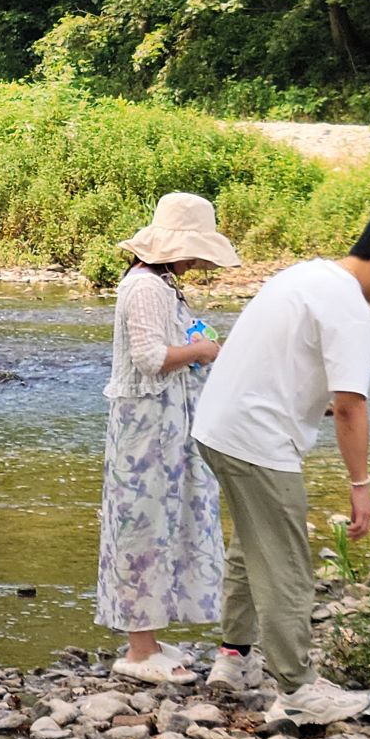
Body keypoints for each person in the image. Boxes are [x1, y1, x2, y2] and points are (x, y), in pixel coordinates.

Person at [192, 208, 370, 722]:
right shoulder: (351, 308)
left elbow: (284, 364)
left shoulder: (305, 274)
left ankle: (235, 657)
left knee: (252, 541)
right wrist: (361, 486)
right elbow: (352, 405)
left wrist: (310, 402)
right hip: (256, 440)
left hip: (218, 425)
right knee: (287, 565)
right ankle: (299, 692)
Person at [96, 192, 238, 685]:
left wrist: (200, 349)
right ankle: (138, 651)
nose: (199, 261)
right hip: (146, 429)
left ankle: (149, 640)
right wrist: (203, 349)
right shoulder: (145, 288)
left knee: (160, 524)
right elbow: (150, 358)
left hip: (161, 424)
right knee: (142, 528)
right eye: (197, 250)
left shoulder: (159, 283)